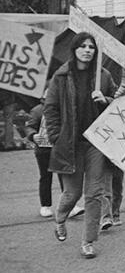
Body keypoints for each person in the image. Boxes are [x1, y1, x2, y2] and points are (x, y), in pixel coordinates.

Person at [45, 32, 117, 259]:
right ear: (75, 49)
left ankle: (88, 241)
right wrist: (56, 136)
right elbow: (51, 108)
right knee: (72, 193)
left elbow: (118, 103)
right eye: (83, 46)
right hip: (70, 143)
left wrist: (106, 100)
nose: (87, 50)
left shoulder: (103, 76)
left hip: (95, 143)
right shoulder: (62, 75)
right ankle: (60, 217)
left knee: (94, 193)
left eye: (91, 47)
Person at [24, 91, 84, 219]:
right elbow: (29, 126)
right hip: (43, 150)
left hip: (60, 148)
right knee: (46, 177)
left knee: (65, 176)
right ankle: (45, 205)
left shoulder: (64, 109)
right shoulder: (37, 111)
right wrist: (33, 135)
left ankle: (70, 206)